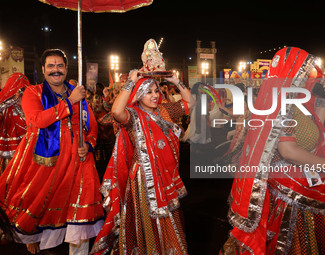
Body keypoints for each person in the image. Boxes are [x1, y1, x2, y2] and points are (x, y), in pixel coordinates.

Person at [220, 47, 325, 254]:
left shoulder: (298, 104)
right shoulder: (283, 106)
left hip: (305, 187)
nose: (315, 75)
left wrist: (323, 97)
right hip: (290, 198)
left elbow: (314, 130)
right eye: (309, 72)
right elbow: (289, 151)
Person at [0, 49, 104, 254]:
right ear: (43, 70)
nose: (55, 70)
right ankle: (34, 240)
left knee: (80, 218)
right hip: (46, 161)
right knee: (40, 208)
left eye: (60, 66)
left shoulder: (77, 91)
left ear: (66, 69)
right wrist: (69, 102)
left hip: (80, 161)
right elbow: (37, 120)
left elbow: (92, 126)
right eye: (50, 66)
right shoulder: (34, 92)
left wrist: (89, 145)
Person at [90, 70, 191, 255]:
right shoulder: (134, 115)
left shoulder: (164, 110)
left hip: (166, 174)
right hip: (144, 177)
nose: (154, 95)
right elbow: (116, 111)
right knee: (147, 217)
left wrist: (177, 81)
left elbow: (190, 104)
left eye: (156, 91)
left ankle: (169, 249)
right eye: (148, 91)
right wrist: (130, 82)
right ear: (138, 94)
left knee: (169, 215)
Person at [0, 73, 30, 174]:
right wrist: (10, 101)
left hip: (27, 145)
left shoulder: (30, 102)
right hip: (9, 148)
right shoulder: (4, 104)